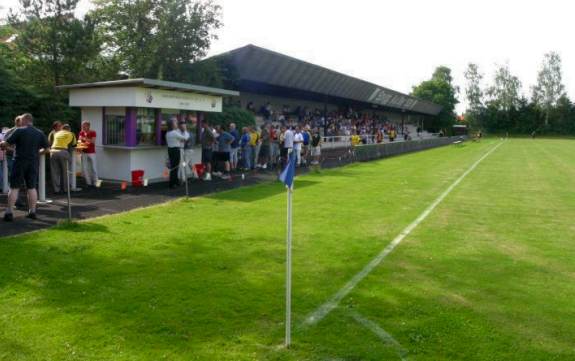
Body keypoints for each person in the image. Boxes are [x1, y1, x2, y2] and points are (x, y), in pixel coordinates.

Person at [1, 113, 49, 221]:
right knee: (31, 187)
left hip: (19, 161)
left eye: (21, 120)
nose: (20, 122)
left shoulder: (19, 131)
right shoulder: (39, 132)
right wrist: (37, 153)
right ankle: (32, 212)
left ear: (25, 120)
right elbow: (46, 149)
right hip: (33, 162)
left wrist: (3, 144)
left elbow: (6, 143)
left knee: (14, 187)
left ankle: (9, 213)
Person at [50, 124, 76, 194]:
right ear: (69, 129)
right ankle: (65, 189)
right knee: (65, 171)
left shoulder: (56, 133)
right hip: (63, 151)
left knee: (55, 172)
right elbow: (73, 145)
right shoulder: (71, 134)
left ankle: (56, 190)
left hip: (53, 151)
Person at [166, 120, 189, 188]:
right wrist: (185, 130)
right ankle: (172, 183)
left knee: (174, 166)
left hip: (170, 150)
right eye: (175, 123)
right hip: (176, 150)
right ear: (172, 125)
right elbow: (185, 138)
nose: (177, 124)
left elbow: (179, 139)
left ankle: (175, 181)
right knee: (175, 167)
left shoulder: (168, 133)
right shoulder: (174, 133)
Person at [78, 120, 98, 187]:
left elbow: (93, 141)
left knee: (94, 168)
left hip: (91, 152)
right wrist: (79, 149)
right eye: (82, 126)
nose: (83, 127)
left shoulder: (93, 132)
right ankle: (88, 183)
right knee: (85, 168)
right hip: (84, 152)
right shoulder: (81, 132)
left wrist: (84, 138)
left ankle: (96, 183)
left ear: (88, 126)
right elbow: (80, 142)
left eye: (84, 126)